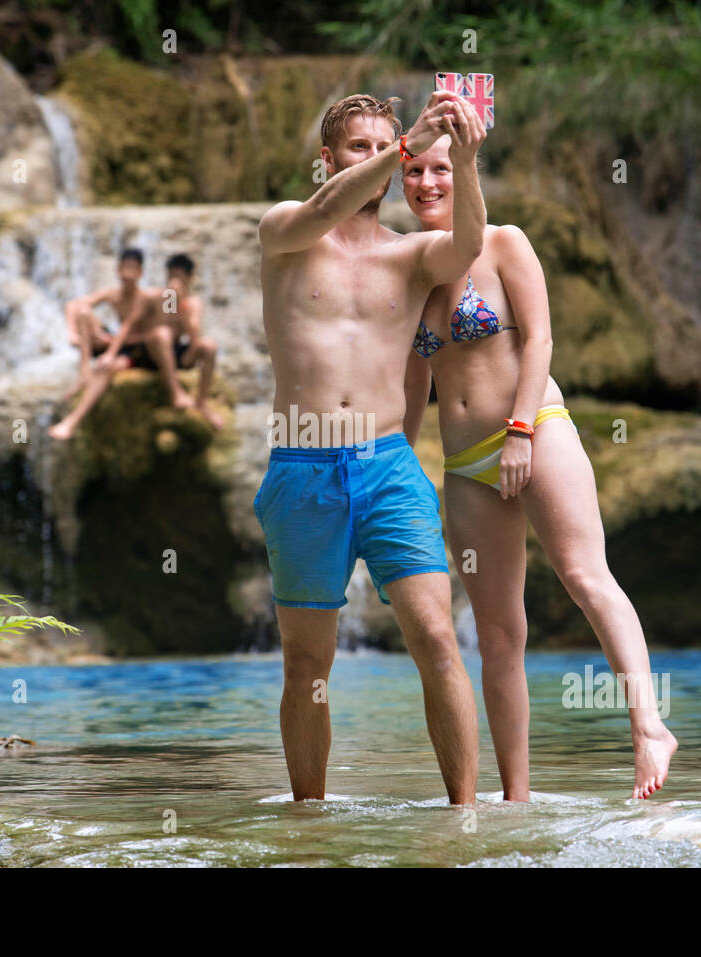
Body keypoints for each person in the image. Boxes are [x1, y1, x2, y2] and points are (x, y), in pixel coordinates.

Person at [400, 135, 677, 801]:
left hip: (535, 429)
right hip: (465, 462)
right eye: (414, 170)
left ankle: (648, 726)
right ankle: (516, 798)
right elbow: (413, 385)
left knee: (585, 575)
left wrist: (522, 430)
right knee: (497, 635)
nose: (428, 181)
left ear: (464, 170)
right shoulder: (409, 267)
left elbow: (542, 338)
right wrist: (399, 465)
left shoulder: (505, 243)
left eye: (442, 167)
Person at [256, 89, 486, 805]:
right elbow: (325, 210)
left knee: (437, 640)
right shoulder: (287, 231)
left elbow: (468, 246)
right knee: (306, 661)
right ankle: (310, 819)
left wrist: (467, 165)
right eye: (363, 146)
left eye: (385, 148)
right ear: (328, 158)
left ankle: (466, 818)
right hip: (303, 464)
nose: (384, 161)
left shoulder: (412, 256)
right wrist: (407, 142)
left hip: (389, 463)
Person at [49, 249, 198, 439]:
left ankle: (73, 418)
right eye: (124, 268)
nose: (128, 274)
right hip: (126, 347)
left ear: (141, 272)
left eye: (132, 269)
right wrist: (76, 335)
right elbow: (77, 307)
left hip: (146, 349)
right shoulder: (115, 295)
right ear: (117, 270)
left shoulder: (156, 297)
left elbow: (169, 328)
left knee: (114, 362)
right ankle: (81, 380)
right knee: (86, 316)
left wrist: (179, 300)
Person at [160, 254, 224, 429]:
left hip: (183, 353)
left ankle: (201, 402)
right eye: (172, 277)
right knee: (162, 334)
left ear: (189, 279)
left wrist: (182, 306)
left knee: (209, 345)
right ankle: (176, 392)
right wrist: (171, 300)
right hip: (161, 351)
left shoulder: (193, 302)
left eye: (179, 277)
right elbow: (164, 331)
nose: (175, 282)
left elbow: (194, 335)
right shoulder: (162, 297)